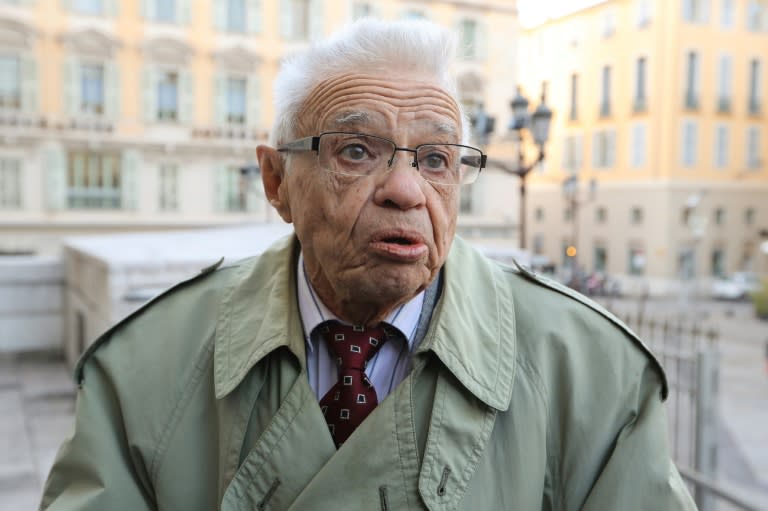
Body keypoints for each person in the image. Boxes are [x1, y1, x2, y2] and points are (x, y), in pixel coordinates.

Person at [41, 19, 696, 510]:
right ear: (275, 181)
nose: (407, 190)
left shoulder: (593, 377)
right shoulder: (140, 372)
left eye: (437, 159)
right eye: (357, 150)